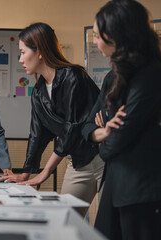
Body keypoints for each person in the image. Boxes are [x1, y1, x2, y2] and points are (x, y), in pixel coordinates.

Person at [0, 22, 103, 217]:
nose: (20, 59)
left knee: (112, 226)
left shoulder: (73, 75)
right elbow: (37, 135)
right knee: (66, 219)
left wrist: (45, 173)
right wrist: (26, 173)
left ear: (40, 51)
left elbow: (73, 128)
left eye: (23, 52)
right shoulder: (38, 92)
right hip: (77, 162)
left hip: (104, 157)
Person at [81, 0, 161, 239]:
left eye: (98, 35)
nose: (95, 41)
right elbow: (85, 127)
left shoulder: (151, 74)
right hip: (116, 185)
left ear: (118, 34)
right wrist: (103, 133)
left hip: (142, 189)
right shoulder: (113, 77)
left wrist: (105, 139)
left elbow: (114, 144)